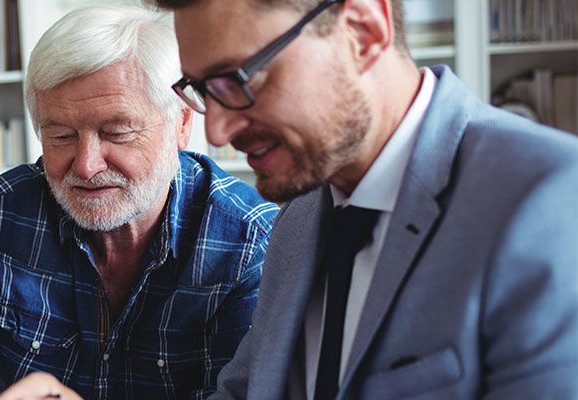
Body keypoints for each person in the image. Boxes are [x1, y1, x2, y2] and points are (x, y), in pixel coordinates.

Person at [149, 0, 578, 398]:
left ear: (364, 32)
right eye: (203, 89)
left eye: (238, 79)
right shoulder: (295, 220)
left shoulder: (548, 199)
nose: (218, 132)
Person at [0, 6, 279, 400]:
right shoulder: (3, 213)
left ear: (181, 123)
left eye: (117, 132)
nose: (86, 165)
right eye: (60, 136)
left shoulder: (250, 240)